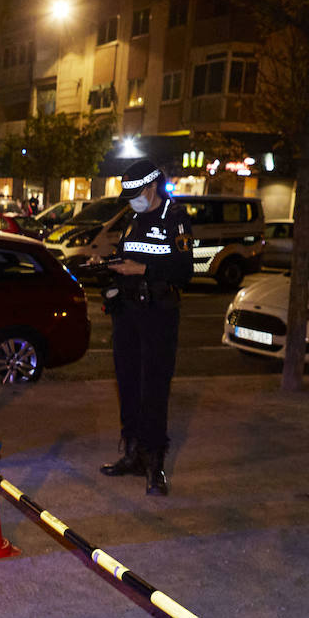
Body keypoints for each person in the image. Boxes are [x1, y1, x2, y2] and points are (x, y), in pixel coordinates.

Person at [98, 159, 193, 495]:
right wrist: (111, 269)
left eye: (135, 192)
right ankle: (133, 454)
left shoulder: (175, 218)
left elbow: (184, 270)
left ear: (152, 187)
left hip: (158, 315)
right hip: (128, 314)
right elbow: (129, 257)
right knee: (127, 385)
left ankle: (155, 464)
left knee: (153, 389)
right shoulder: (133, 219)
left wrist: (143, 270)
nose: (132, 199)